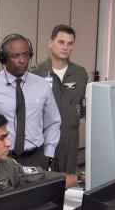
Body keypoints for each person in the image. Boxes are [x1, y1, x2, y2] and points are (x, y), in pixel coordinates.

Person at [0, 33, 61, 169]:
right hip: (0, 159)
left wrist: (48, 153)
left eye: (26, 54)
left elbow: (53, 121)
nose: (22, 60)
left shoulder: (42, 86)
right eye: (15, 56)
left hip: (36, 158)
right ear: (4, 59)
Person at [32, 24, 88, 173]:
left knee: (67, 180)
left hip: (70, 138)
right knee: (42, 179)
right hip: (42, 138)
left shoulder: (80, 74)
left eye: (70, 44)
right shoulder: (36, 73)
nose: (65, 47)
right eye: (61, 42)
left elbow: (81, 107)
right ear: (51, 43)